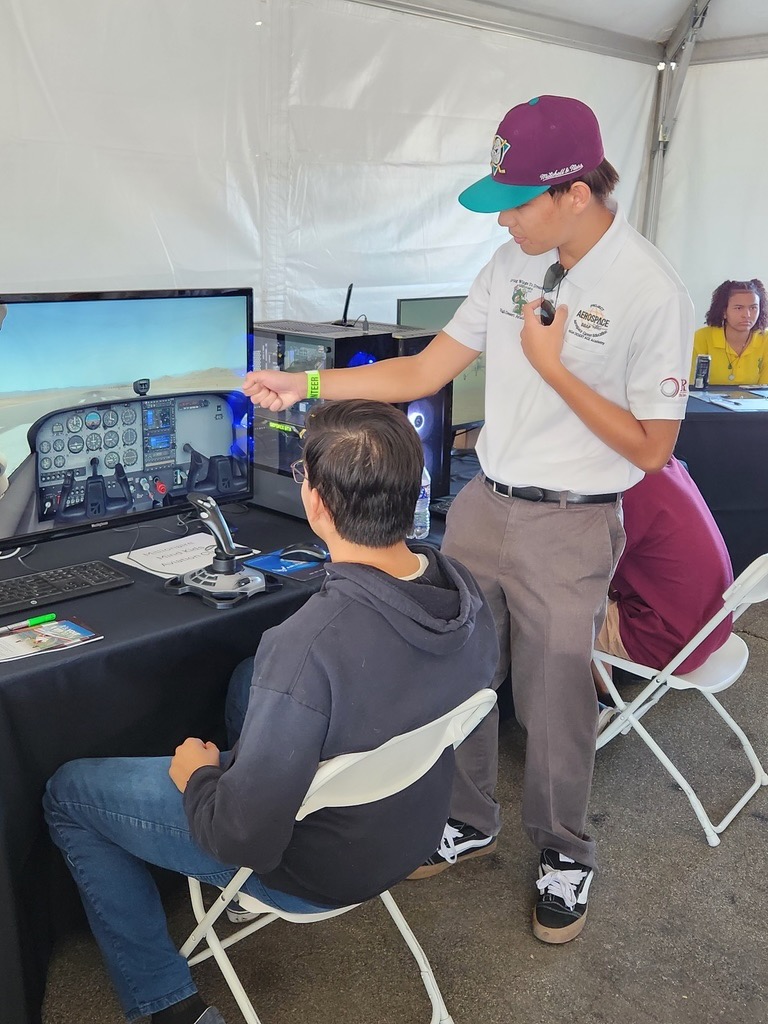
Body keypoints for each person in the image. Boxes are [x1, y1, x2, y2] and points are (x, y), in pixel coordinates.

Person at [243, 94, 694, 944]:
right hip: (485, 505)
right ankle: (468, 816)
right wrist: (303, 385)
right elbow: (420, 372)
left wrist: (553, 369)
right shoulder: (509, 265)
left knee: (556, 696)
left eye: (518, 203)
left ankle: (565, 850)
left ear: (576, 192)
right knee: (456, 666)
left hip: (573, 520)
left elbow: (652, 451)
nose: (507, 222)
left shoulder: (649, 288)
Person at [43, 399, 499, 1024]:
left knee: (69, 794)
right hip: (409, 833)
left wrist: (198, 777)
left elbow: (241, 835)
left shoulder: (308, 644)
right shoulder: (466, 594)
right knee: (247, 679)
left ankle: (163, 1006)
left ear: (315, 502)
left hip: (313, 867)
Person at [595, 455, 733, 682]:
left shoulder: (620, 489)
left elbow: (590, 568)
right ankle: (606, 700)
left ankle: (598, 708)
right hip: (712, 627)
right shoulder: (665, 464)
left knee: (555, 615)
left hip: (670, 642)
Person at [691, 279, 768, 385]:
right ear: (723, 312)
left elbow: (765, 391)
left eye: (753, 308)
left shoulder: (765, 339)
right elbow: (690, 387)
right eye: (738, 308)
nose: (747, 315)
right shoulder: (701, 338)